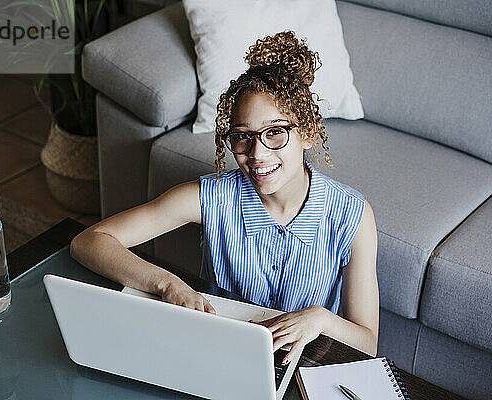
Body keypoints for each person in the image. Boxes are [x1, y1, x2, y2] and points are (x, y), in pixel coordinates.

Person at [70, 31, 379, 363]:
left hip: (300, 367)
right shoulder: (212, 198)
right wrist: (167, 284)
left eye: (275, 132)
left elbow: (367, 343)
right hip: (215, 353)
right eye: (242, 137)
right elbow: (89, 241)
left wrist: (320, 319)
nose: (257, 153)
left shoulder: (354, 216)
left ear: (307, 134)